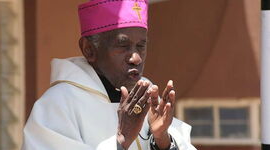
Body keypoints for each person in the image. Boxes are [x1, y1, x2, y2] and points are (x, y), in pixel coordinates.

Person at [22, 0, 196, 150]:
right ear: (89, 49)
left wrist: (162, 139)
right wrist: (121, 140)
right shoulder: (58, 104)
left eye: (141, 46)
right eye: (122, 45)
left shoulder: (148, 96)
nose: (136, 58)